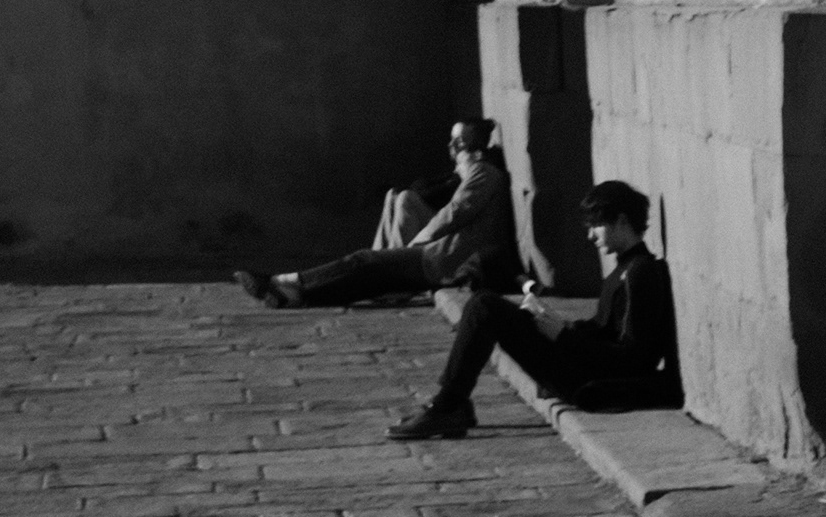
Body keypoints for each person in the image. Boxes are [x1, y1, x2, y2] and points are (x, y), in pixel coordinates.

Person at [385, 181, 680, 443]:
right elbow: (603, 329)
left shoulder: (641, 272)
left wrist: (563, 337)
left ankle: (448, 405)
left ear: (622, 221)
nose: (591, 236)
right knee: (486, 302)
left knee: (484, 306)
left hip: (590, 382)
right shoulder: (625, 269)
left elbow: (633, 357)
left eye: (596, 225)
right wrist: (554, 323)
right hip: (583, 367)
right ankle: (449, 403)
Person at [234, 119, 520, 309]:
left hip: (443, 261)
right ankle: (293, 294)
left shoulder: (483, 172)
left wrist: (414, 245)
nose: (452, 150)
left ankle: (286, 282)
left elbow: (456, 212)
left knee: (364, 262)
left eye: (458, 144)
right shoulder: (481, 173)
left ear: (474, 148)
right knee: (367, 279)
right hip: (440, 258)